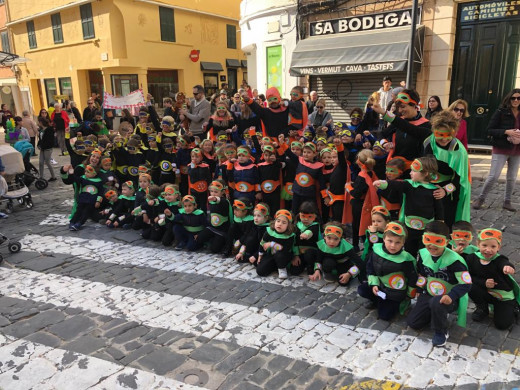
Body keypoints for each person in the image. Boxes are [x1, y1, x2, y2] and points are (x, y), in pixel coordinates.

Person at [406, 221, 472, 347]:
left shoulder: (455, 260)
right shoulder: (423, 254)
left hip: (447, 297)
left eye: (438, 241)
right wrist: (420, 291)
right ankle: (435, 313)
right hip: (429, 292)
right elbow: (422, 275)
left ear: (447, 242)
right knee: (414, 322)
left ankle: (441, 331)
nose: (432, 245)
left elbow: (466, 283)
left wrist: (452, 296)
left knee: (437, 303)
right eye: (428, 240)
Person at [358, 221, 417, 320]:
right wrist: (374, 284)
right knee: (362, 289)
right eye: (390, 241)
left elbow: (412, 278)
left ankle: (400, 304)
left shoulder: (406, 259)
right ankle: (378, 300)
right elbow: (370, 268)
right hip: (380, 285)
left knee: (384, 316)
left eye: (397, 242)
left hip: (395, 292)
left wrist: (408, 296)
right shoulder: (376, 250)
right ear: (384, 238)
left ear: (403, 243)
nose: (393, 246)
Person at [473, 89, 520, 212]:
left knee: (512, 177)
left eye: (518, 98)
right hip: (501, 148)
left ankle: (507, 201)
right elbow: (490, 130)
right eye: (513, 98)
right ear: (509, 99)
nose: (516, 100)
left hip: (517, 150)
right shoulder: (501, 112)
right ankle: (480, 199)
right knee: (493, 176)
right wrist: (507, 132)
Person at [424, 110, 471, 228]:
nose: (444, 140)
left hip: (449, 192)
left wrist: (445, 190)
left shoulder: (459, 151)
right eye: (440, 136)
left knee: (445, 224)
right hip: (430, 188)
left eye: (448, 136)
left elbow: (460, 179)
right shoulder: (429, 143)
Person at [466, 228, 519, 330]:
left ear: (498, 247)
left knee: (502, 325)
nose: (488, 250)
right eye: (484, 245)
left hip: (502, 296)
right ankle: (482, 308)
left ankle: (513, 307)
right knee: (470, 286)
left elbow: (504, 263)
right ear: (478, 244)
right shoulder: (472, 258)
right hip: (486, 291)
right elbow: (467, 276)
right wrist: (483, 283)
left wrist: (507, 267)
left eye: (493, 246)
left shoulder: (499, 260)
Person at [376, 90, 432, 174]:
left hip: (414, 171)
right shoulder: (399, 121)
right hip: (394, 169)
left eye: (403, 106)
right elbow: (381, 134)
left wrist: (384, 113)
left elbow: (409, 128)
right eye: (398, 107)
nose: (400, 110)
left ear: (414, 105)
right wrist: (384, 143)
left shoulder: (426, 125)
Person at [256, 209, 296, 279]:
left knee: (279, 255)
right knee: (260, 271)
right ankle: (275, 266)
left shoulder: (290, 236)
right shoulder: (269, 231)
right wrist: (260, 255)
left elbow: (285, 249)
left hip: (284, 256)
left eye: (284, 223)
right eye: (278, 221)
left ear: (288, 225)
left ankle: (282, 269)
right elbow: (262, 243)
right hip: (272, 255)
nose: (280, 224)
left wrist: (272, 244)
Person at [37, 117, 57, 182]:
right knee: (40, 162)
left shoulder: (49, 130)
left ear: (41, 122)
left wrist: (44, 145)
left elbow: (50, 140)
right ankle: (41, 176)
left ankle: (53, 176)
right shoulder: (41, 130)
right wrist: (39, 144)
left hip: (48, 148)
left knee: (47, 162)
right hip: (42, 148)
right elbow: (40, 139)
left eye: (39, 122)